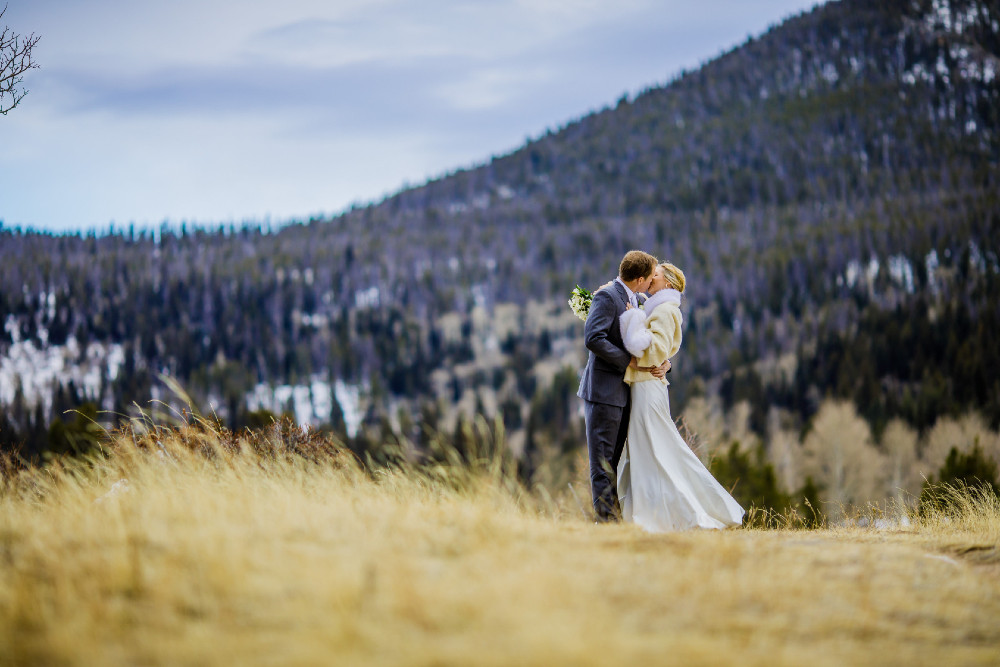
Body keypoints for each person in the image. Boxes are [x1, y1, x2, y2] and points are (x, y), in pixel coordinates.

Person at [617, 262, 744, 532]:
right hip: (646, 386)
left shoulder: (663, 310)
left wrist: (633, 320)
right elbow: (663, 351)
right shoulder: (659, 308)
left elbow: (656, 350)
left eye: (656, 275)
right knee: (652, 450)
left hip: (647, 388)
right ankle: (654, 511)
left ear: (668, 283)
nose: (650, 277)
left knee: (657, 450)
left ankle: (675, 513)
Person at [577, 250, 667, 522]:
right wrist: (627, 361)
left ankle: (614, 521)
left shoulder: (637, 300)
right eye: (650, 278)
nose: (651, 283)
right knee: (603, 464)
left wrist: (665, 363)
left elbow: (650, 340)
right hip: (604, 393)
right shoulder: (607, 296)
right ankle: (607, 524)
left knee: (614, 462)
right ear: (639, 279)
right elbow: (593, 338)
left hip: (625, 394)